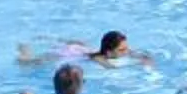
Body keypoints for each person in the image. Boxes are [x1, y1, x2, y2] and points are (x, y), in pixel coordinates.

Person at [18, 29, 153, 69]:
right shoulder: (99, 57)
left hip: (79, 48)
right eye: (122, 50)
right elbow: (111, 67)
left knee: (80, 43)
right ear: (109, 52)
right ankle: (23, 49)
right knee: (28, 63)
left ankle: (52, 39)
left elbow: (129, 52)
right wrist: (138, 62)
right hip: (68, 55)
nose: (127, 51)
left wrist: (141, 57)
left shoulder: (107, 52)